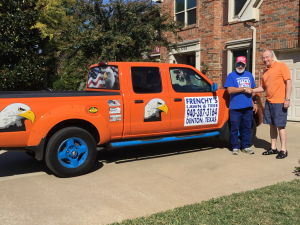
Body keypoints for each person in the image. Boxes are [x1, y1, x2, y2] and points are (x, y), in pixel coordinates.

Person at [251, 50, 292, 159]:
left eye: (267, 57)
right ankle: (273, 148)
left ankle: (283, 150)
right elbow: (263, 88)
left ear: (272, 57)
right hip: (269, 102)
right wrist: (251, 90)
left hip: (280, 102)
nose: (265, 59)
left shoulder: (281, 66)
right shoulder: (265, 72)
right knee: (272, 125)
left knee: (280, 126)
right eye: (263, 58)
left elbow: (288, 82)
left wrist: (287, 98)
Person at [224, 56, 257, 155]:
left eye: (242, 64)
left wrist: (254, 102)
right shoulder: (231, 76)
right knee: (235, 127)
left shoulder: (249, 75)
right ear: (235, 64)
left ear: (245, 65)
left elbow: (254, 91)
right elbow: (229, 90)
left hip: (248, 107)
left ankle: (246, 146)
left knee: (247, 127)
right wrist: (243, 89)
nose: (240, 66)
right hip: (235, 107)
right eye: (238, 64)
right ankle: (235, 146)